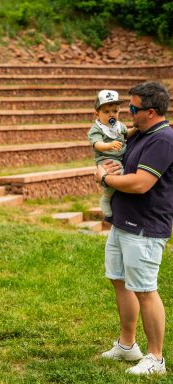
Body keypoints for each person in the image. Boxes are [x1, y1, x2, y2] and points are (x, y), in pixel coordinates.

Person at [95, 82, 173, 375]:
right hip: (123, 222)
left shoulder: (163, 139)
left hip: (144, 228)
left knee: (144, 289)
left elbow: (141, 183)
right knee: (120, 280)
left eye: (133, 108)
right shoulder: (142, 133)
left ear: (150, 112)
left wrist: (105, 180)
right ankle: (127, 346)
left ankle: (156, 358)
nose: (128, 112)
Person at [88, 90, 138, 217]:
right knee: (118, 175)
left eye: (115, 111)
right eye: (106, 112)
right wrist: (109, 145)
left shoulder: (118, 125)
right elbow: (97, 144)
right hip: (106, 158)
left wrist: (136, 129)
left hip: (120, 156)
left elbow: (127, 133)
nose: (112, 115)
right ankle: (106, 198)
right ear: (97, 114)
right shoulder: (96, 129)